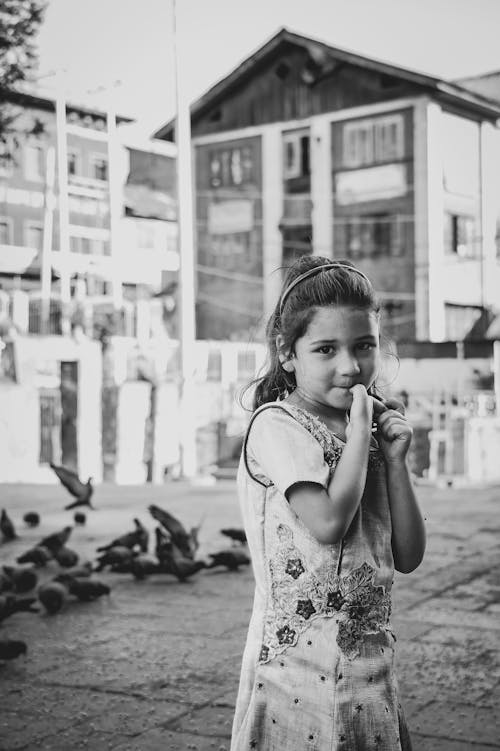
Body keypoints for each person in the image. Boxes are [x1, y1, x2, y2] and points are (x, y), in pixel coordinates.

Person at [231, 255, 426, 751]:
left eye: (365, 346)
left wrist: (397, 461)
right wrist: (362, 430)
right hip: (294, 666)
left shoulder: (375, 435)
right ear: (288, 352)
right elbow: (329, 522)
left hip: (368, 659)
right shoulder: (278, 425)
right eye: (325, 349)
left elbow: (407, 555)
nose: (350, 366)